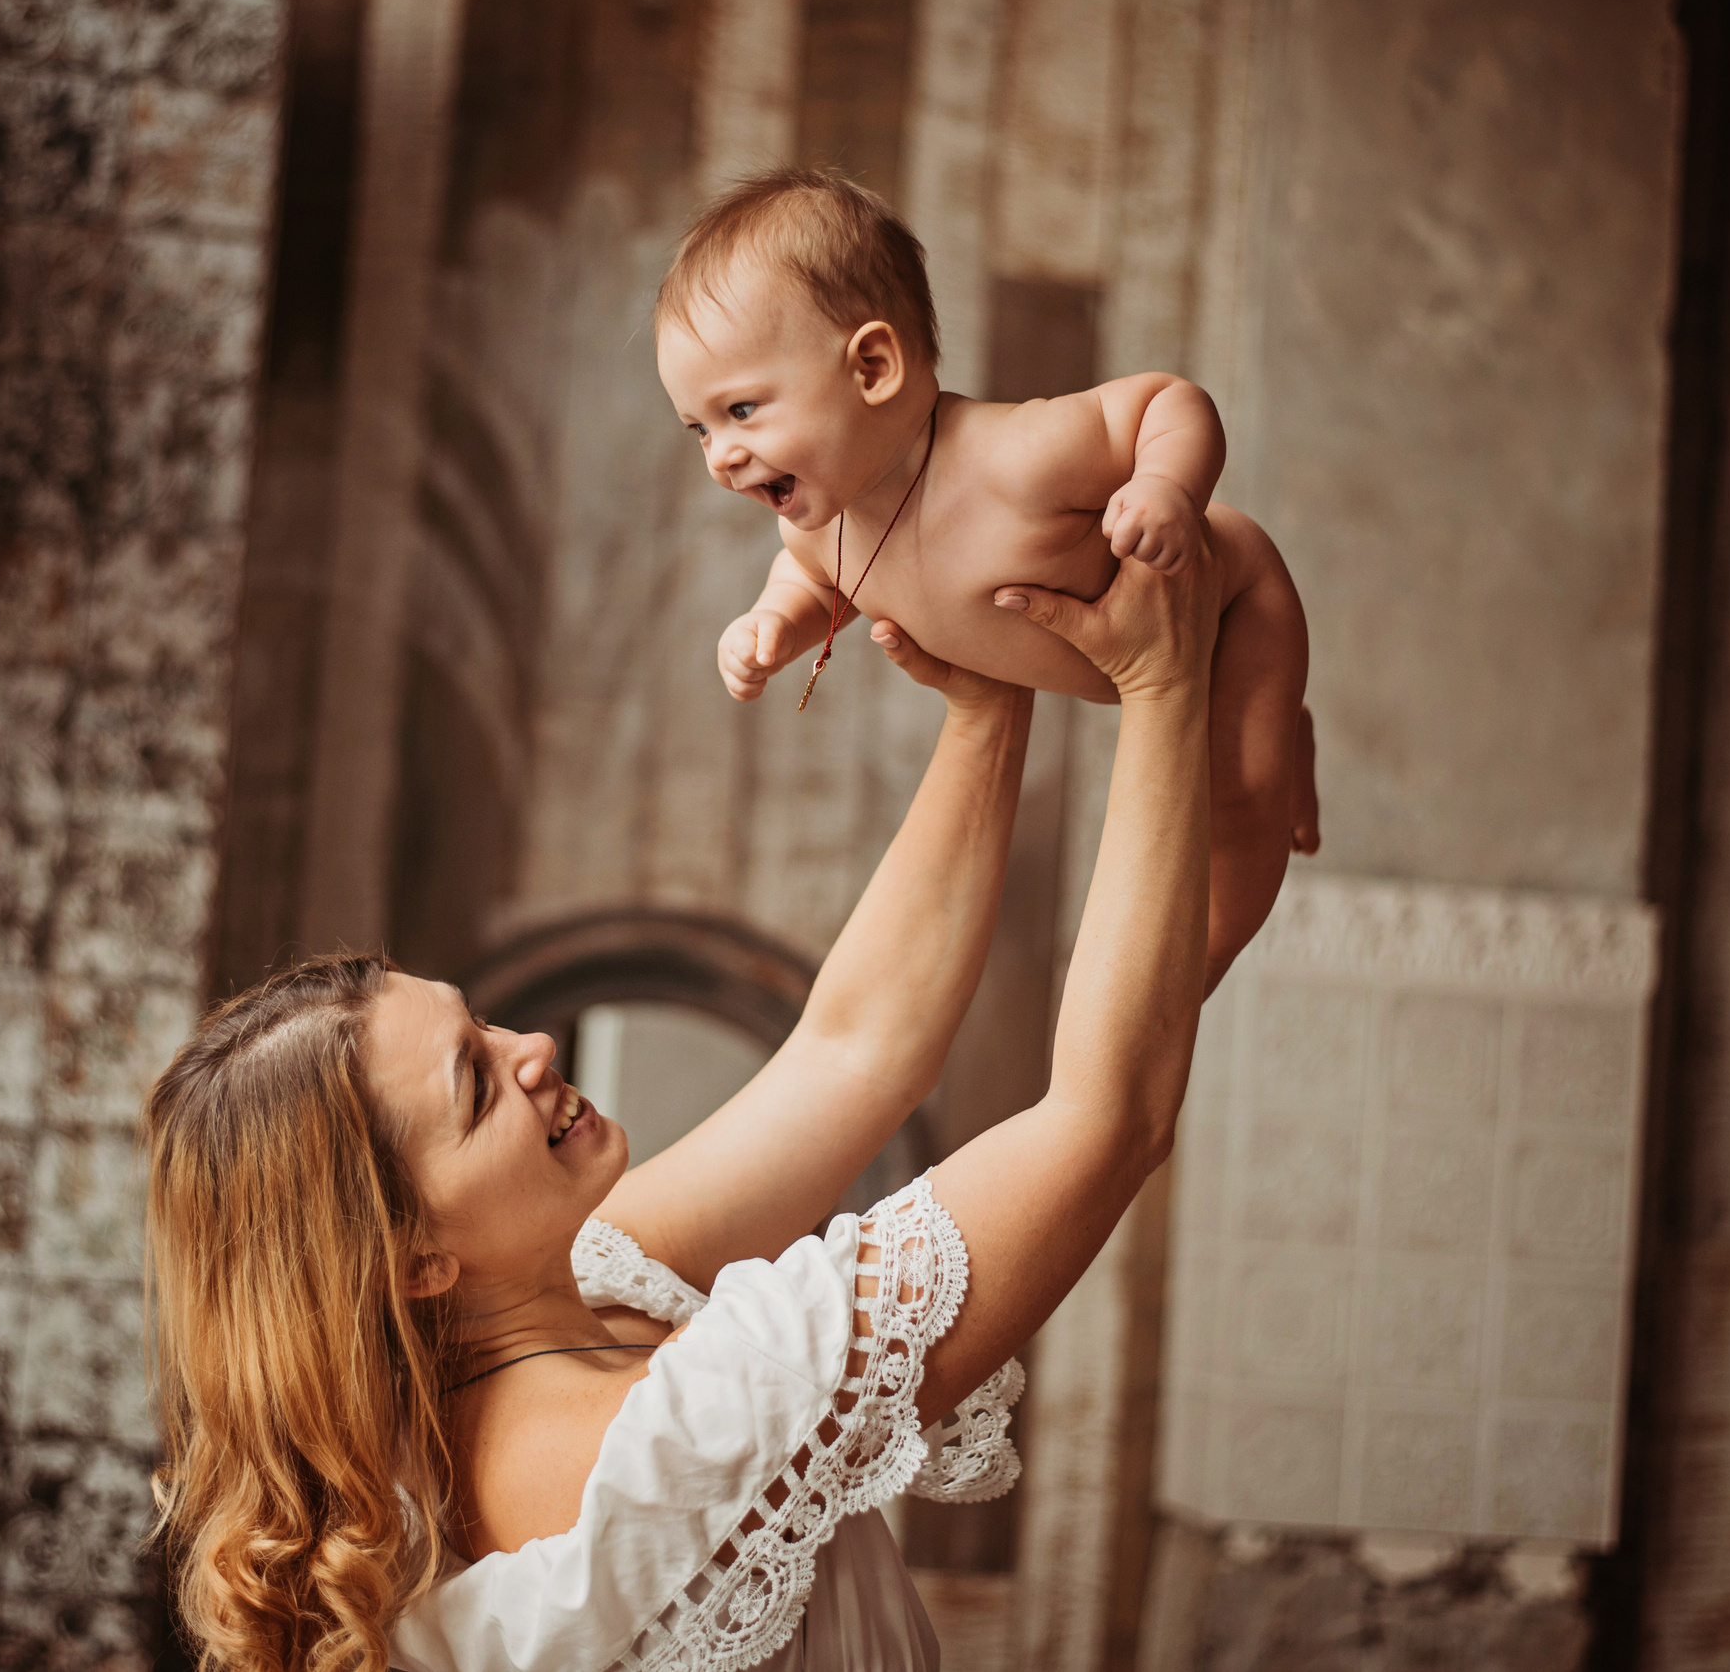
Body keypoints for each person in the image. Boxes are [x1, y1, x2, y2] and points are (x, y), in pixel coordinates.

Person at [140, 520, 1220, 1672]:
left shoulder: (570, 1297)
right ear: (414, 1259)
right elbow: (1109, 1120)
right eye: (473, 1084)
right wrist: (1162, 681)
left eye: (481, 1022)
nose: (535, 1047)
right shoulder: (664, 1437)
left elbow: (858, 1047)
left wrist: (985, 700)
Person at [655, 167, 1314, 989]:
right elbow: (814, 578)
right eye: (698, 430)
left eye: (741, 411)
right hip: (1135, 670)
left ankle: (1199, 963)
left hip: (1235, 610)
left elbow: (1166, 404)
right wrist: (773, 624)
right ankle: (1279, 723)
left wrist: (1164, 490)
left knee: (1243, 799)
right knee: (1232, 755)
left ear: (872, 368)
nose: (721, 455)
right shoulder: (819, 527)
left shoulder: (1015, 459)